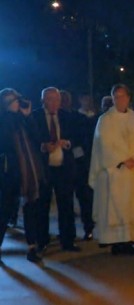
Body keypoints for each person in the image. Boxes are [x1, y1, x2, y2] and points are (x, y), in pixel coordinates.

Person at [89, 84, 134, 255]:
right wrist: (122, 159)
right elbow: (104, 144)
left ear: (129, 98)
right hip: (114, 172)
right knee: (114, 206)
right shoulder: (105, 120)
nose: (119, 100)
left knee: (131, 207)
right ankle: (115, 242)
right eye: (116, 97)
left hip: (133, 172)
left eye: (122, 96)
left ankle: (129, 241)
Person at [0, 88, 46, 264]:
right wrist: (14, 116)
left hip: (29, 171)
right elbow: (4, 142)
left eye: (17, 99)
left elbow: (37, 138)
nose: (18, 103)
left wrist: (27, 116)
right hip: (9, 172)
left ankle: (32, 247)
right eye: (13, 100)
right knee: (4, 210)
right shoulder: (4, 120)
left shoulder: (24, 119)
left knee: (31, 209)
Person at [33, 87, 80, 252]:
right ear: (43, 101)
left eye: (56, 99)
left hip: (64, 168)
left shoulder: (67, 116)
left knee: (66, 205)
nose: (53, 103)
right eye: (50, 99)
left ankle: (68, 240)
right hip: (44, 168)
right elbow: (30, 139)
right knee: (42, 205)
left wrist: (66, 143)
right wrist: (43, 146)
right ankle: (42, 240)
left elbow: (77, 138)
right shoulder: (35, 116)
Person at [60, 90, 95, 240]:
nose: (63, 102)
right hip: (62, 165)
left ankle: (88, 227)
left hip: (80, 164)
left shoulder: (78, 117)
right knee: (66, 201)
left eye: (65, 99)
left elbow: (86, 139)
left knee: (85, 198)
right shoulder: (54, 118)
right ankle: (68, 233)